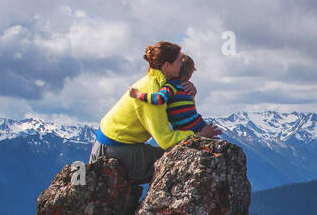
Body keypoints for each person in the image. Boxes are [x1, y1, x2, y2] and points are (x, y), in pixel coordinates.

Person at [90, 41, 221, 184]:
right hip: (111, 150)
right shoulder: (152, 91)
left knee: (177, 157)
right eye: (179, 61)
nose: (182, 65)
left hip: (116, 144)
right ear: (167, 65)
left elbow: (179, 111)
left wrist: (189, 94)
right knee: (177, 162)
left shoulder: (158, 82)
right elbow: (166, 140)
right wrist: (197, 136)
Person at [127, 53, 209, 133]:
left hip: (190, 130)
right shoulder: (184, 88)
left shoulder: (172, 86)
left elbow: (159, 99)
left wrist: (138, 95)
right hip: (198, 125)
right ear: (190, 74)